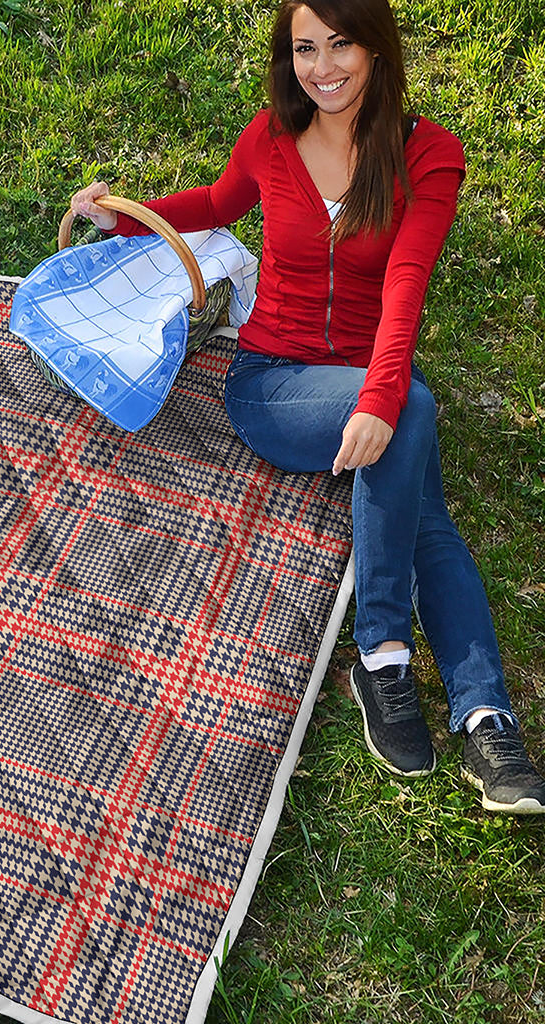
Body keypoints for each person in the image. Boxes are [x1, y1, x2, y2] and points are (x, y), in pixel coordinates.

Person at [69, 0, 545, 814]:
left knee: (419, 475)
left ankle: (478, 713)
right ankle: (391, 656)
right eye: (304, 49)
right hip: (271, 384)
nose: (322, 67)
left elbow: (406, 284)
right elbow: (217, 205)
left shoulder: (428, 156)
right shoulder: (271, 137)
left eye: (341, 44)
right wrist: (124, 221)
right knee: (414, 420)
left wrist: (382, 397)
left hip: (365, 375)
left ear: (377, 48)